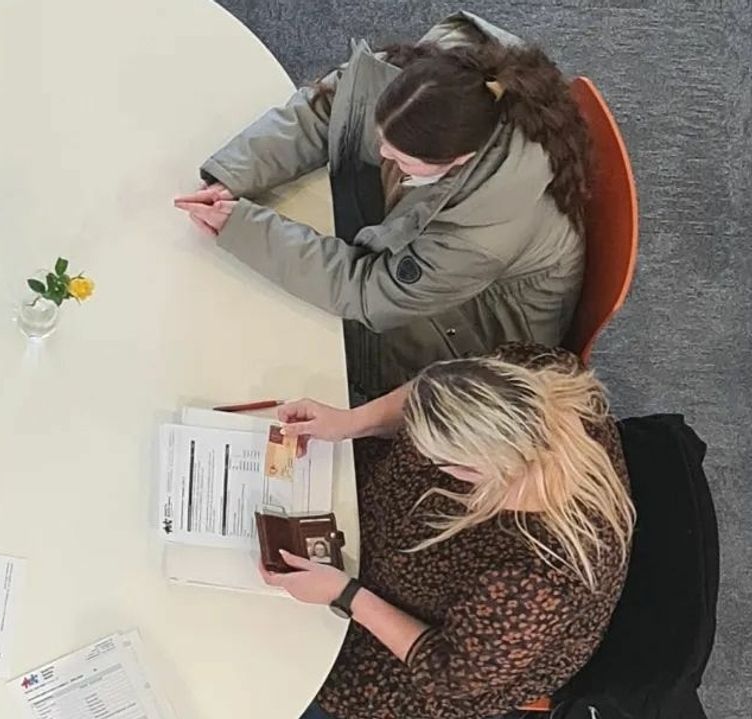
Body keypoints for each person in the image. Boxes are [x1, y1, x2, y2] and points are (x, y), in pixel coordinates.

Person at [173, 12, 591, 400]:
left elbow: (371, 292)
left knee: (260, 334)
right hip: (428, 275)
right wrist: (235, 172)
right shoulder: (433, 85)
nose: (382, 152)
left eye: (402, 157)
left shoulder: (482, 236)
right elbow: (331, 112)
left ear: (459, 161)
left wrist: (246, 228)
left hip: (466, 340)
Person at [261, 344, 634, 719]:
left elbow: (448, 672)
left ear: (473, 472)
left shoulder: (536, 580)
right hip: (380, 529)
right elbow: (429, 392)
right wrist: (352, 422)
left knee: (271, 673)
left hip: (424, 652)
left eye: (430, 453)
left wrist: (346, 595)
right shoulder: (538, 370)